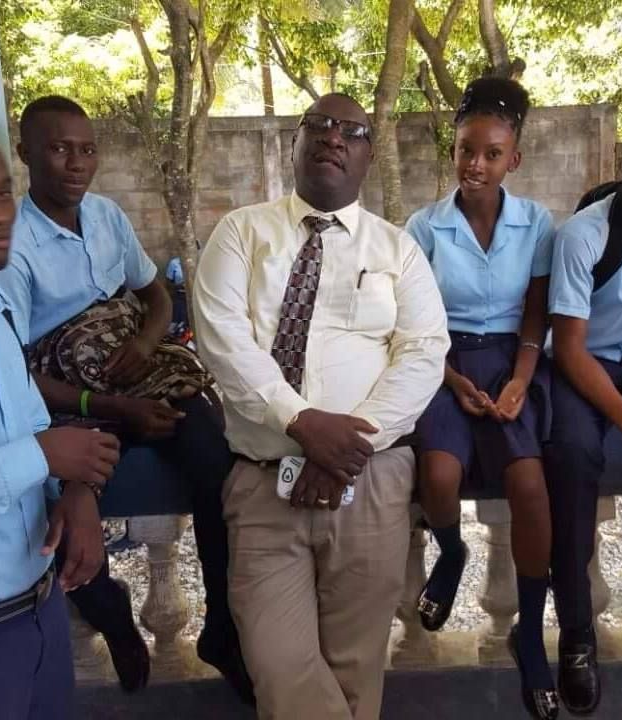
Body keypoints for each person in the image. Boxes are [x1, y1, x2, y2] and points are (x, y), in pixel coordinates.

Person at [193, 92, 449, 720]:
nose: (335, 136)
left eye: (353, 131)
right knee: (279, 668)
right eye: (321, 124)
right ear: (296, 141)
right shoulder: (241, 232)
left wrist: (345, 446)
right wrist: (303, 424)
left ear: (368, 156)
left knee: (356, 669)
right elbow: (223, 341)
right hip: (263, 485)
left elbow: (424, 353)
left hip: (371, 480)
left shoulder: (398, 250)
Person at [0, 96, 251, 702]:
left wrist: (145, 341)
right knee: (59, 515)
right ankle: (111, 615)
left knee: (216, 462)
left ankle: (222, 631)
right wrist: (111, 408)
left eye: (87, 150)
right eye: (59, 149)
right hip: (68, 396)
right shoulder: (14, 248)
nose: (77, 163)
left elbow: (155, 296)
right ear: (26, 154)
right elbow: (16, 372)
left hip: (139, 374)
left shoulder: (106, 216)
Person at [0, 111, 120, 719]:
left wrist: (72, 489)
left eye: (1, 192)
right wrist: (38, 457)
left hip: (39, 614)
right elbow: (31, 449)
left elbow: (27, 428)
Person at [405, 78, 558, 720]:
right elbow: (413, 320)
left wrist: (521, 378)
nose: (476, 164)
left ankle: (531, 632)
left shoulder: (537, 223)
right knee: (439, 476)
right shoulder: (424, 227)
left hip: (512, 359)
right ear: (453, 150)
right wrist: (450, 378)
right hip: (442, 360)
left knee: (529, 486)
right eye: (467, 150)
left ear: (512, 160)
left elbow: (535, 313)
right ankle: (451, 552)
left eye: (492, 154)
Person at [546, 116, 622, 716]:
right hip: (587, 361)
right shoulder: (585, 236)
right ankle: (576, 635)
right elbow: (568, 349)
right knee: (570, 457)